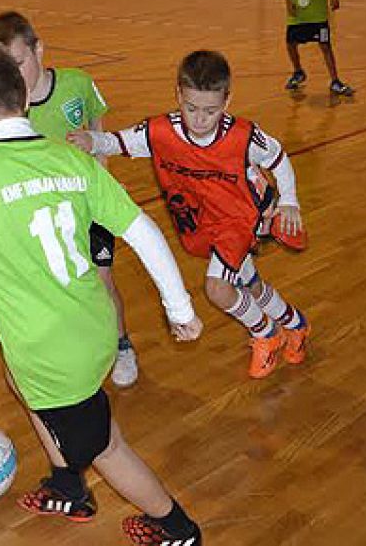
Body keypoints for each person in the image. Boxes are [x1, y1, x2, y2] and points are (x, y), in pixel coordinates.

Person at [0, 41, 205, 546]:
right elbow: (143, 232)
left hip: (49, 354)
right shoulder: (70, 160)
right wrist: (178, 307)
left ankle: (174, 526)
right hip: (93, 330)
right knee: (18, 377)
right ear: (25, 100)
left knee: (107, 446)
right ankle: (68, 483)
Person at [70, 50, 312, 381]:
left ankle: (266, 332)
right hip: (203, 223)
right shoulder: (160, 132)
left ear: (227, 101)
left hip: (241, 220)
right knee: (248, 284)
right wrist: (91, 140)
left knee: (217, 288)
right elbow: (119, 142)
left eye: (210, 111)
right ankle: (296, 325)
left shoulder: (243, 137)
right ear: (177, 96)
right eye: (190, 108)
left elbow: (279, 158)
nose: (199, 119)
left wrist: (290, 201)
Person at [0, 11, 139, 387]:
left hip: (88, 206)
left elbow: (98, 127)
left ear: (39, 49)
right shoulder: (5, 109)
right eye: (5, 67)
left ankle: (121, 345)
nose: (13, 75)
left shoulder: (77, 85)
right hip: (42, 214)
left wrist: (101, 174)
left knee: (102, 280)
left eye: (19, 63)